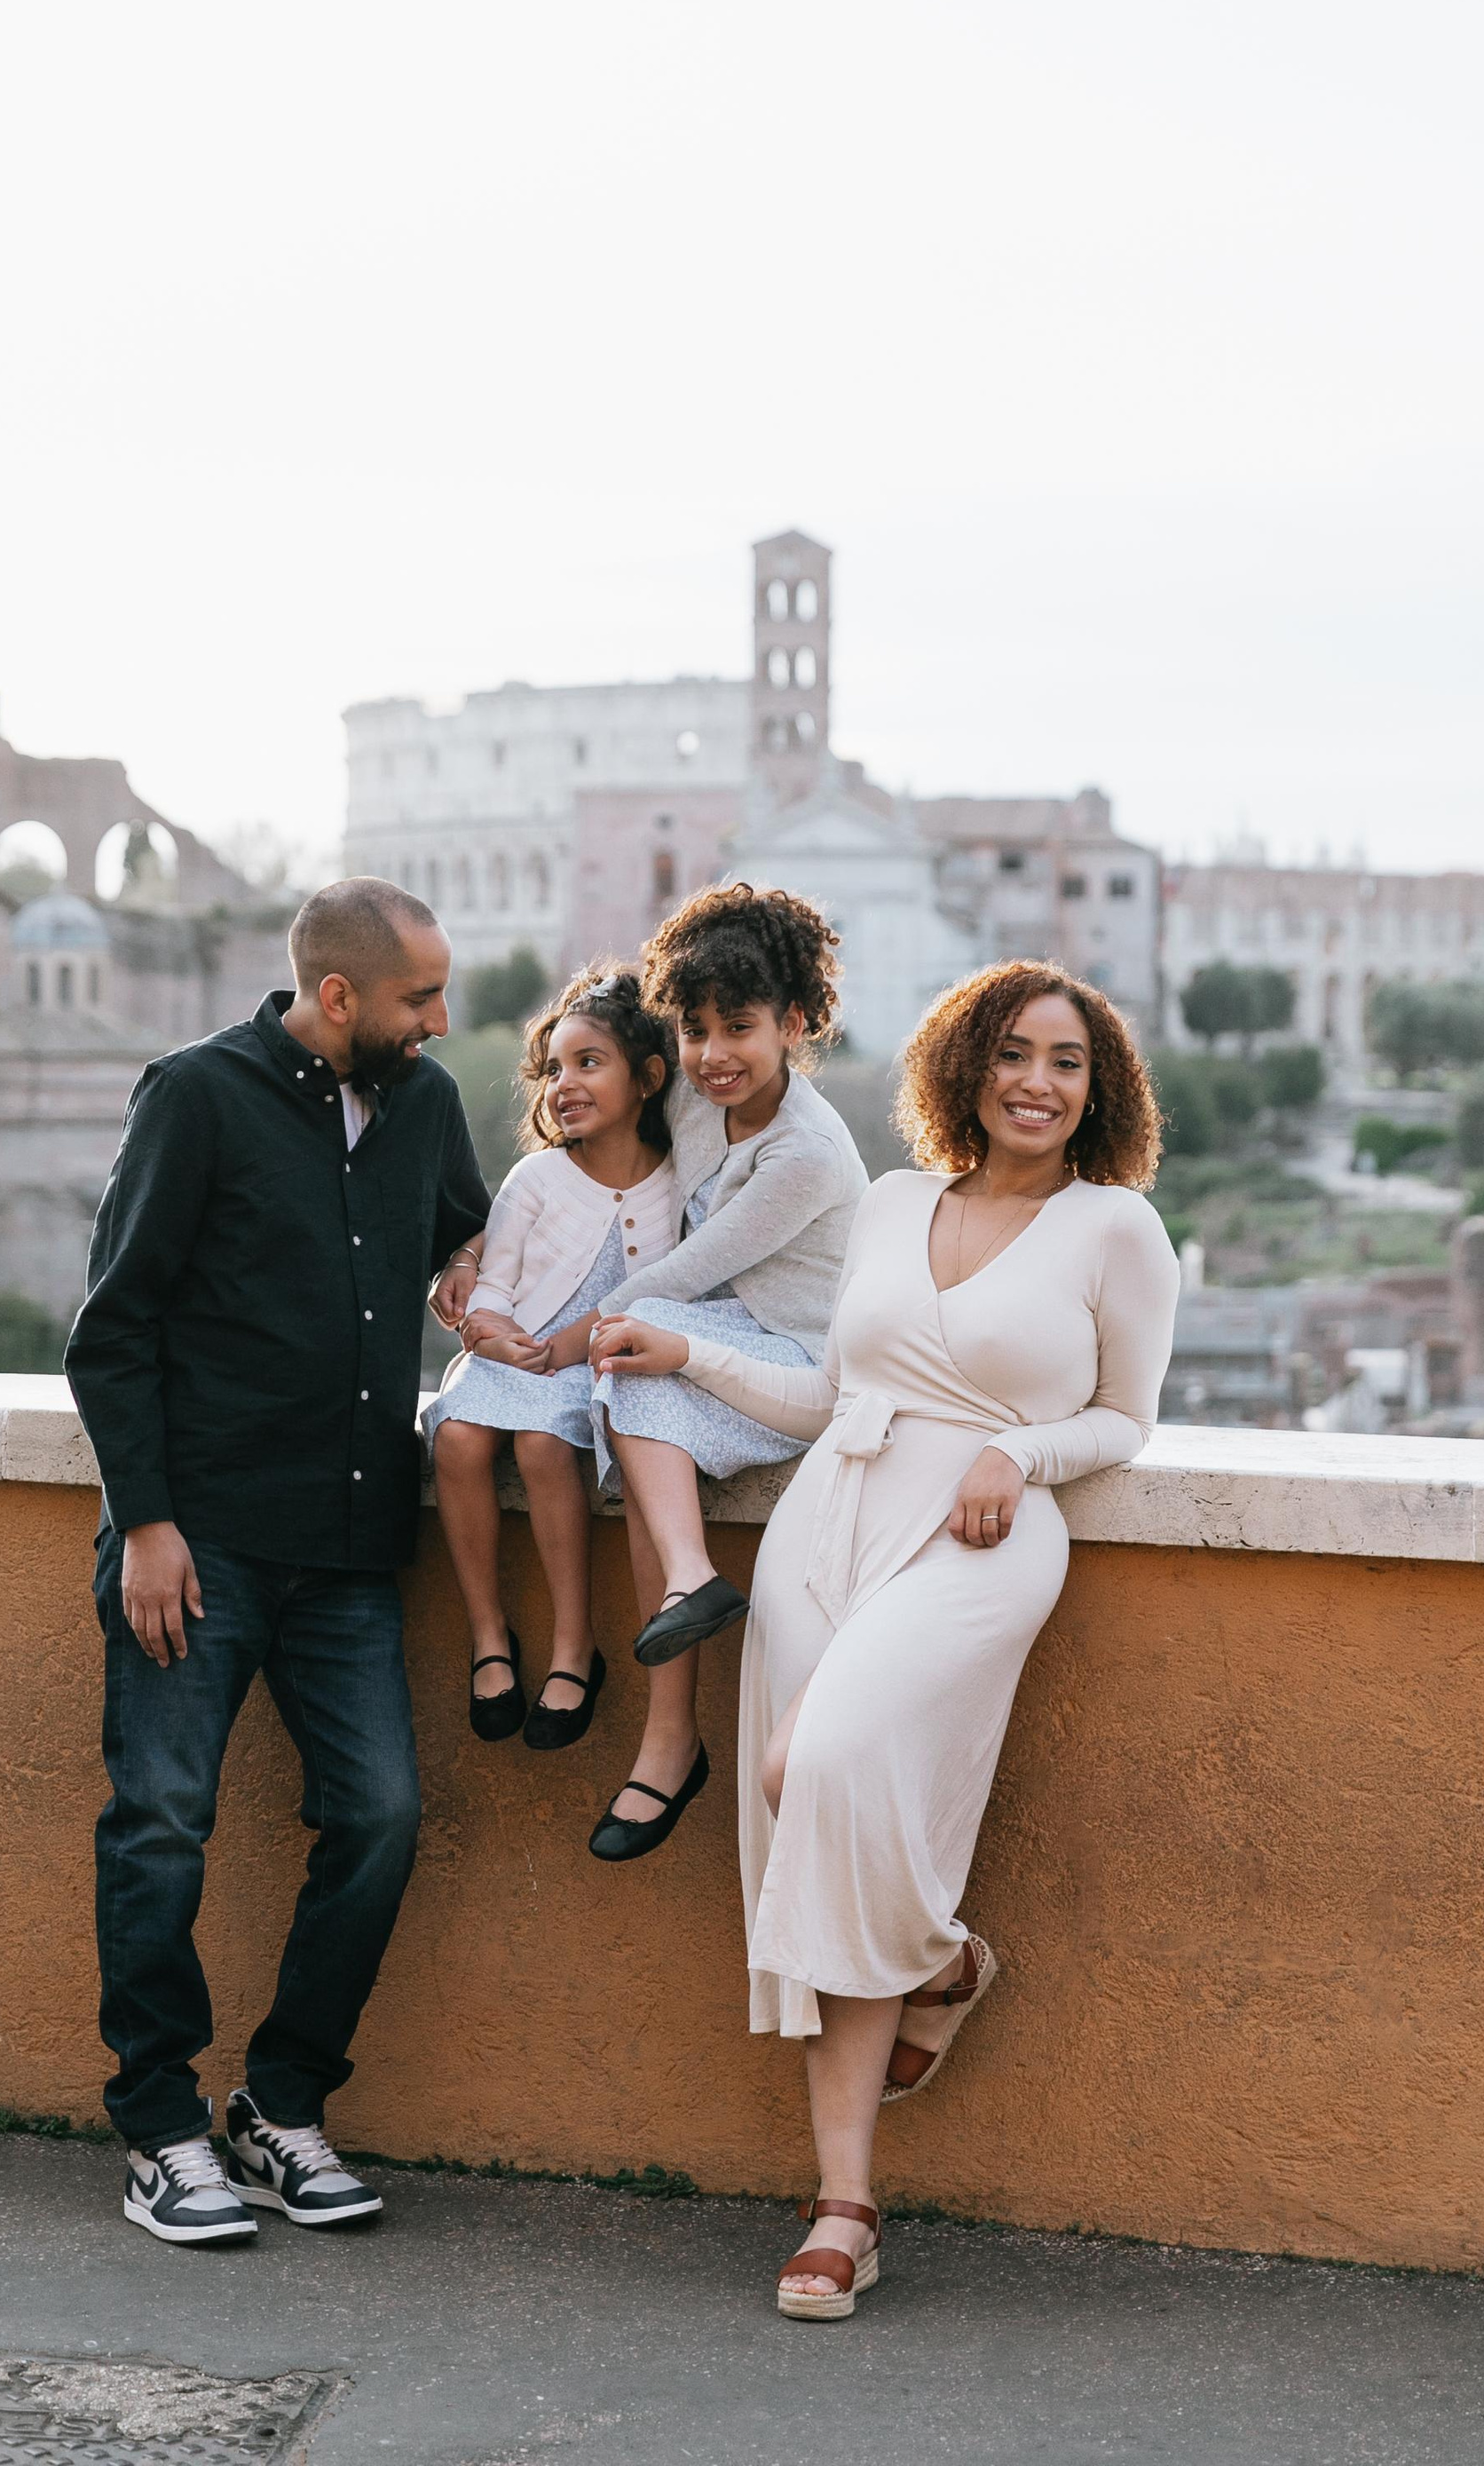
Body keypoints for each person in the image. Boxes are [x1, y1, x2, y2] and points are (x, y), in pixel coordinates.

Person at [589, 960, 1178, 2317]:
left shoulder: (1116, 1231)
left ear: (1100, 1091)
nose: (1039, 1081)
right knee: (823, 1820)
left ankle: (944, 1961)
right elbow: (826, 1396)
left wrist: (1020, 1455)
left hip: (979, 1539)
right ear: (965, 1067)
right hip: (829, 1517)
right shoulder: (898, 1202)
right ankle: (845, 2204)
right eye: (1016, 1053)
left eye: (1068, 1061)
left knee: (821, 1769)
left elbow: (1128, 1422)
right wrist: (695, 1364)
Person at [65, 878, 490, 2248]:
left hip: (356, 1551)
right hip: (200, 1546)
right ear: (341, 995)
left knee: (378, 1820)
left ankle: (279, 2103)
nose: (443, 1020)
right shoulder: (195, 1094)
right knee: (161, 1828)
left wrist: (469, 1272)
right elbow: (112, 1328)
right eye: (422, 997)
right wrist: (146, 1524)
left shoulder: (422, 1103)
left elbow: (461, 1234)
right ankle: (162, 2131)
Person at [578, 884, 866, 1862]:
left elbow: (684, 1273)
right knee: (630, 1380)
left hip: (799, 1361)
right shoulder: (701, 1099)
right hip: (725, 1327)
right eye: (693, 1029)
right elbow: (586, 1061)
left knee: (629, 1346)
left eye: (739, 1027)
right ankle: (687, 1602)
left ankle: (669, 1736)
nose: (713, 1055)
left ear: (793, 1022)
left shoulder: (809, 1153)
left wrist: (576, 1330)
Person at [422, 967, 677, 1749]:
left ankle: (575, 1646)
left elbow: (672, 1295)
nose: (565, 1084)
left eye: (589, 1063)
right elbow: (492, 1283)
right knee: (460, 1440)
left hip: (591, 1370)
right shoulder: (536, 1178)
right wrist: (489, 1334)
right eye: (555, 1069)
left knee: (540, 1446)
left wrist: (574, 1348)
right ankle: (489, 1634)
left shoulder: (681, 1187)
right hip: (511, 1356)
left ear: (649, 1079)